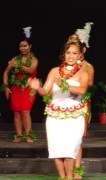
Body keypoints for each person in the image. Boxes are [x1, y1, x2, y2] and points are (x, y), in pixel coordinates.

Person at [28, 35, 89, 180]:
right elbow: (45, 91)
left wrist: (65, 85)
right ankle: (62, 177)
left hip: (74, 116)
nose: (71, 56)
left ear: (80, 55)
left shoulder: (83, 73)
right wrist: (38, 88)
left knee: (69, 148)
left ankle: (69, 177)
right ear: (64, 54)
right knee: (56, 149)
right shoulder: (54, 71)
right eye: (68, 53)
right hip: (55, 115)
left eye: (75, 53)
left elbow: (82, 91)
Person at [2, 26, 38, 143]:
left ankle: (28, 135)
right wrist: (6, 87)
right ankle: (18, 135)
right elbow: (6, 72)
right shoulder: (15, 59)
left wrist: (16, 65)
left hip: (29, 87)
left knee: (25, 111)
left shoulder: (34, 59)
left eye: (25, 46)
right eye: (20, 46)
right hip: (16, 88)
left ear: (30, 46)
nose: (22, 48)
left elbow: (30, 70)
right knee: (17, 112)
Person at [71, 22, 95, 180]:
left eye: (78, 51)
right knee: (67, 137)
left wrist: (79, 74)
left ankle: (77, 169)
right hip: (66, 103)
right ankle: (68, 169)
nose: (75, 54)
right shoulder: (64, 66)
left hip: (81, 102)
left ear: (83, 51)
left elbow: (90, 83)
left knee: (77, 138)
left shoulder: (88, 67)